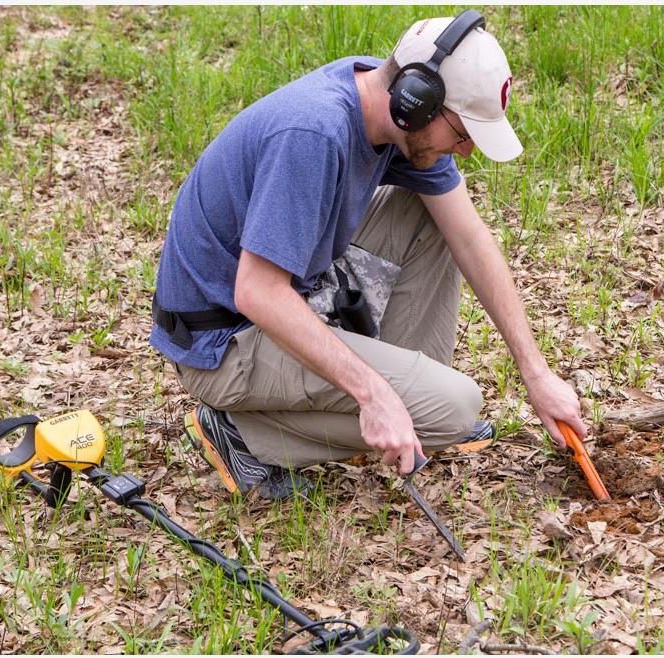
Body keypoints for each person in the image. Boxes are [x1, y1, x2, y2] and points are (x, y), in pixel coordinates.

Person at [150, 10, 587, 500]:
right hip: (223, 342)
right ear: (415, 101)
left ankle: (415, 407)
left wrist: (536, 373)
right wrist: (374, 393)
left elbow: (470, 237)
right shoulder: (314, 133)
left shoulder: (378, 108)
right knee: (457, 407)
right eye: (461, 134)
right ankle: (241, 432)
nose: (464, 151)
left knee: (431, 216)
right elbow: (257, 292)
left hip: (279, 293)